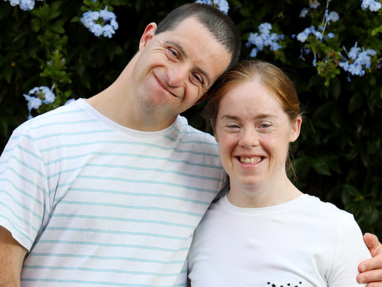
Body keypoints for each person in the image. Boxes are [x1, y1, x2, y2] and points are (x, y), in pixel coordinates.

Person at [0, 3, 380, 287]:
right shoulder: (40, 142)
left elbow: (275, 216)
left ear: (203, 95)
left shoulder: (210, 158)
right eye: (173, 51)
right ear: (148, 36)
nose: (176, 76)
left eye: (198, 75)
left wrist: (362, 258)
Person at [187, 60, 377, 286]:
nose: (248, 140)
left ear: (295, 128)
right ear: (215, 128)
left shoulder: (336, 230)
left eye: (265, 124)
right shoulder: (193, 227)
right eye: (233, 125)